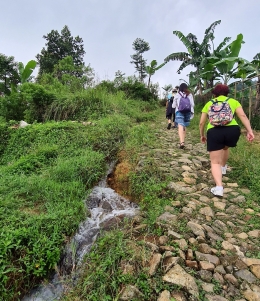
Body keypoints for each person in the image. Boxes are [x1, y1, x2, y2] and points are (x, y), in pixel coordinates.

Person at [199, 84, 254, 197]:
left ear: (214, 94)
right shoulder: (233, 101)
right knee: (225, 147)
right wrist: (250, 131)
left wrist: (202, 135)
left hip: (214, 131)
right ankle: (223, 168)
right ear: (227, 93)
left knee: (214, 162)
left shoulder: (209, 103)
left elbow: (201, 123)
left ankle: (219, 187)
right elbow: (242, 116)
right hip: (232, 130)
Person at [172, 83, 195, 148]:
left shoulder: (177, 95)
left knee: (180, 126)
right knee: (184, 126)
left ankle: (182, 142)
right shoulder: (189, 94)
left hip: (179, 112)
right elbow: (192, 104)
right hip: (188, 112)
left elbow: (173, 106)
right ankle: (183, 141)